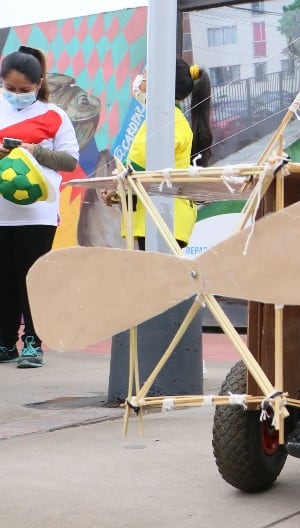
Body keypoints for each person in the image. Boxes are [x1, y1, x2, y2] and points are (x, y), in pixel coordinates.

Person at [0, 46, 80, 368]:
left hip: (38, 212)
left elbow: (70, 161)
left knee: (32, 278)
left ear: (39, 84)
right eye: (10, 89)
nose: (17, 95)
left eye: (24, 90)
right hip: (2, 213)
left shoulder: (54, 115)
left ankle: (33, 341)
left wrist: (34, 152)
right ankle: (5, 342)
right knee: (4, 279)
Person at [100, 58, 212, 250]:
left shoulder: (163, 119)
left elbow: (138, 165)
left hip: (160, 217)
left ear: (161, 84)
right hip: (164, 217)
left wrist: (117, 189)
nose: (140, 83)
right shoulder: (172, 118)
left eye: (145, 77)